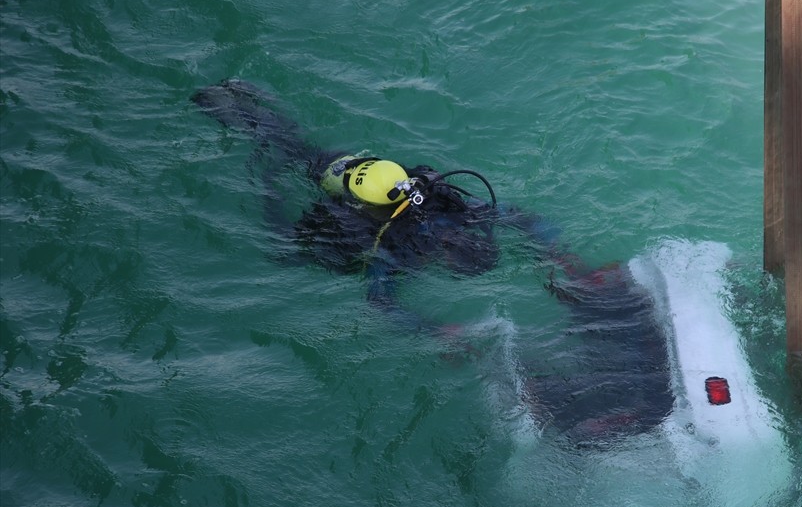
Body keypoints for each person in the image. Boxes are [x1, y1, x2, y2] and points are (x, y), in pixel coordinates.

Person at [191, 79, 672, 443]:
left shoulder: (454, 209)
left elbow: (519, 218)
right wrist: (434, 330)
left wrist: (563, 257)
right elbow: (379, 300)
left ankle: (242, 104)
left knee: (295, 147)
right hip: (356, 192)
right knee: (289, 244)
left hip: (376, 179)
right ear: (446, 254)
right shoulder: (401, 244)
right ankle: (241, 113)